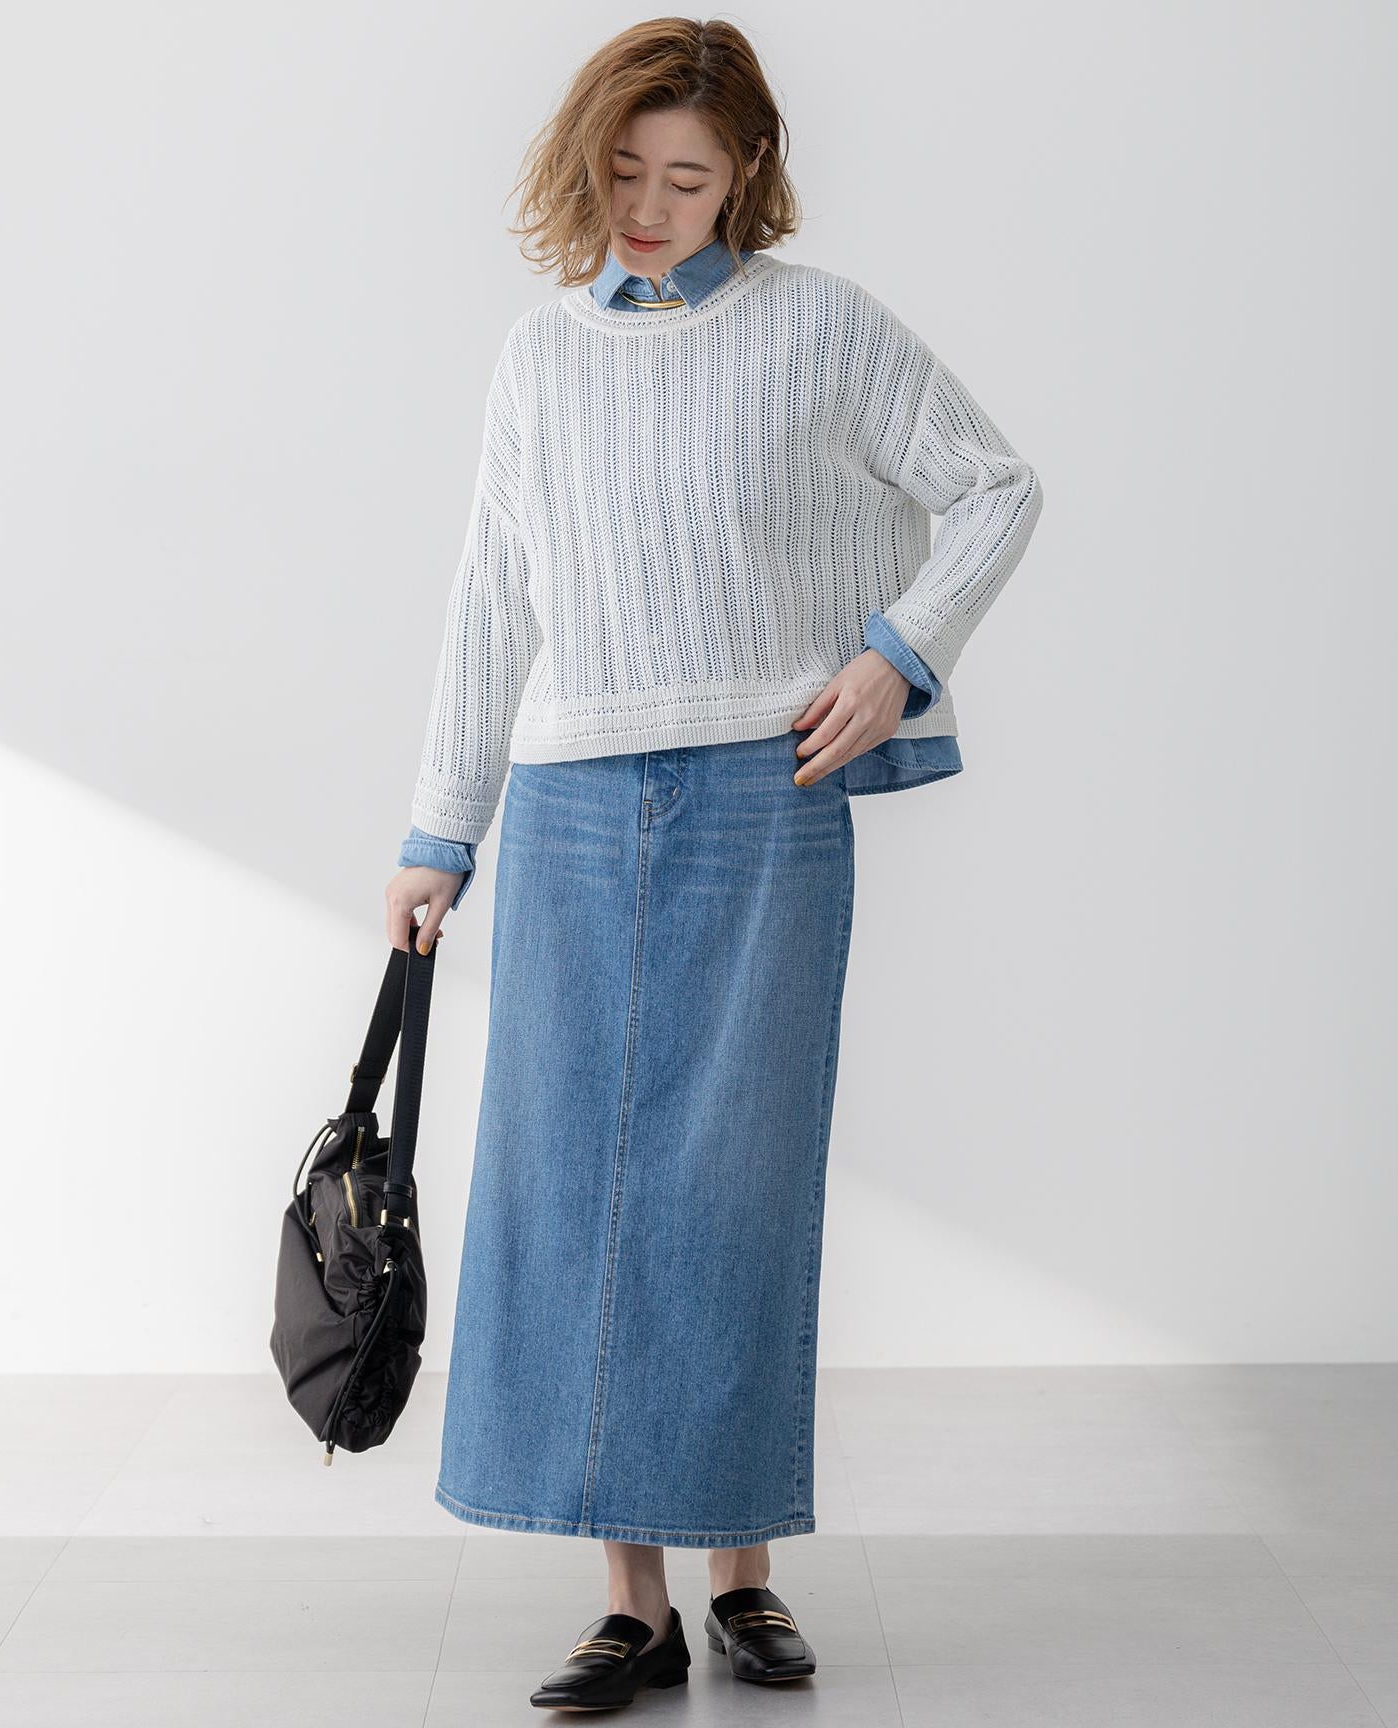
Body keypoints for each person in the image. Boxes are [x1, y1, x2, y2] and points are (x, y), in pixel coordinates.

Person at [384, 18, 1043, 1712]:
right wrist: (440, 831)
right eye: (624, 172)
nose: (651, 206)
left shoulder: (821, 328)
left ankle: (744, 1575)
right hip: (572, 801)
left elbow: (994, 486)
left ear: (748, 171)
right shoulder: (538, 358)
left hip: (764, 790)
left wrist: (896, 652)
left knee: (733, 1185)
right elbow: (490, 597)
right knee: (572, 1191)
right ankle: (632, 1603)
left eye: (687, 176)